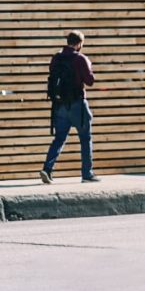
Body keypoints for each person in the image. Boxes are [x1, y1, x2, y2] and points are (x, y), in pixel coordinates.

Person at [41, 30, 97, 183]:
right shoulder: (80, 59)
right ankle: (87, 174)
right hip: (78, 104)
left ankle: (47, 169)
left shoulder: (56, 58)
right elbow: (90, 81)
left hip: (59, 105)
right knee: (85, 138)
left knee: (59, 139)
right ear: (79, 44)